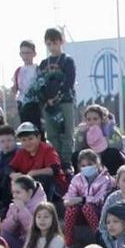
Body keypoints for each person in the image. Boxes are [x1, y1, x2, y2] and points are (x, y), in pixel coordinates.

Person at [25, 28, 77, 156]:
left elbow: (69, 81)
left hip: (65, 102)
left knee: (67, 132)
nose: (52, 47)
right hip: (48, 105)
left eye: (55, 43)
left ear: (61, 42)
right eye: (49, 44)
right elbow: (39, 85)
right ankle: (56, 160)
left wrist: (57, 97)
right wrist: (46, 99)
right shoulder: (43, 64)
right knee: (52, 135)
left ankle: (67, 161)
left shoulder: (67, 60)